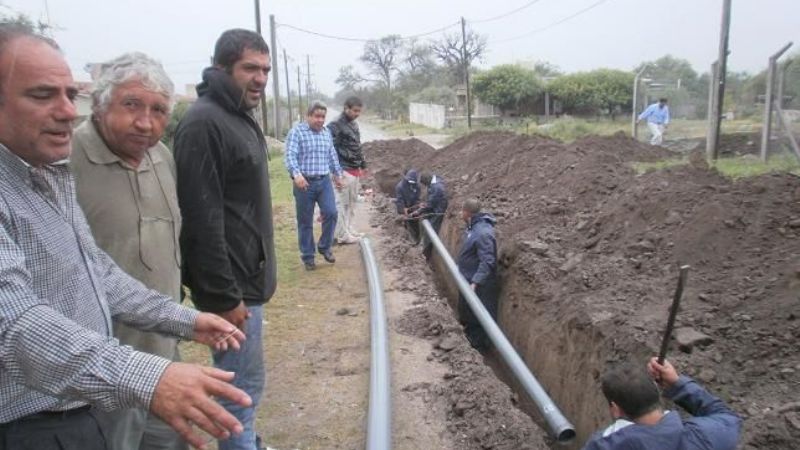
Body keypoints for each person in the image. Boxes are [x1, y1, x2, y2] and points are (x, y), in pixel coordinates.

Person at [0, 24, 251, 450]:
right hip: (30, 420)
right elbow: (14, 322)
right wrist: (147, 377)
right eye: (42, 95)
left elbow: (98, 271)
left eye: (67, 93)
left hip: (79, 404)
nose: (66, 110)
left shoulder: (46, 174)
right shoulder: (61, 162)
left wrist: (185, 319)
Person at [70, 52, 186, 450]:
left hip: (164, 356)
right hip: (101, 374)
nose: (145, 122)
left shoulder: (161, 157)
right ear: (101, 104)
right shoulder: (64, 161)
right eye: (132, 104)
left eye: (158, 110)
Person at [173, 29, 277, 450]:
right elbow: (201, 220)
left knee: (247, 386)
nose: (261, 78)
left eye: (265, 69)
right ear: (221, 68)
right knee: (239, 391)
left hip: (245, 281)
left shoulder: (235, 115)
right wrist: (223, 297)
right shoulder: (204, 123)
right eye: (250, 68)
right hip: (232, 291)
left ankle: (246, 439)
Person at [582, 358, 741, 450]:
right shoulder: (707, 435)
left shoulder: (603, 446)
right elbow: (726, 415)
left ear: (616, 409)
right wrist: (678, 384)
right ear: (657, 394)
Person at [284, 101, 344, 271]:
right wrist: (297, 174)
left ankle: (325, 246)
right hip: (305, 183)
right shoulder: (297, 132)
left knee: (331, 212)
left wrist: (337, 175)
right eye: (316, 116)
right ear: (308, 116)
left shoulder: (326, 133)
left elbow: (332, 156)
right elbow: (290, 156)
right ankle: (308, 256)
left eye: (323, 117)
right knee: (305, 221)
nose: (320, 120)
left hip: (324, 181)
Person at [456, 199, 499, 350]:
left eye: (462, 211)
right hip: (468, 278)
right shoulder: (474, 227)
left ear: (467, 213)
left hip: (480, 285)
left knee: (477, 314)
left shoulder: (483, 233)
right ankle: (468, 337)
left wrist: (476, 282)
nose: (461, 213)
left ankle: (478, 347)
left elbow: (487, 260)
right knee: (467, 311)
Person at [328, 96, 366, 245]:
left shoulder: (354, 125)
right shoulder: (335, 125)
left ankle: (349, 229)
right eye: (355, 111)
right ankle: (342, 235)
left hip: (354, 169)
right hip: (343, 169)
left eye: (359, 111)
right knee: (342, 204)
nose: (357, 114)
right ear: (346, 108)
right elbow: (330, 149)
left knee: (352, 202)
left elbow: (357, 146)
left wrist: (362, 165)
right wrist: (336, 172)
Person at [414, 172, 448, 259]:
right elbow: (431, 201)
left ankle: (425, 252)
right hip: (434, 206)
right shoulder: (435, 180)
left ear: (427, 182)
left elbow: (431, 203)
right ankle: (420, 240)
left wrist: (419, 210)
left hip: (438, 211)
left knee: (431, 229)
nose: (425, 187)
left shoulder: (437, 188)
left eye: (425, 185)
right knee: (424, 220)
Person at [395, 169, 421, 244]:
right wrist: (403, 209)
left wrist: (416, 207)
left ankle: (417, 240)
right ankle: (406, 241)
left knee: (415, 223)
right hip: (403, 207)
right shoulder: (400, 187)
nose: (411, 183)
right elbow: (400, 200)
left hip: (412, 207)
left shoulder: (417, 186)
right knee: (405, 223)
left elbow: (417, 198)